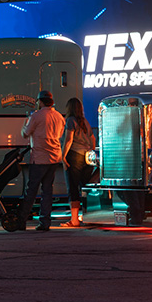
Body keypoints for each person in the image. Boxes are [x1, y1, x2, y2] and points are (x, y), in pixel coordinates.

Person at [17, 90, 65, 231]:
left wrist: (25, 124)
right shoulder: (58, 116)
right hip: (54, 158)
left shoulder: (36, 116)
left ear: (40, 101)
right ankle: (45, 222)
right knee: (47, 191)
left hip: (39, 158)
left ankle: (22, 221)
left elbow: (25, 134)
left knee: (31, 190)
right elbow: (60, 135)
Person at [57, 97, 95, 228]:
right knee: (85, 188)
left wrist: (63, 157)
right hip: (86, 157)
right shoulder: (85, 121)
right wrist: (91, 152)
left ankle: (74, 220)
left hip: (74, 156)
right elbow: (92, 139)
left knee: (73, 188)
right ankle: (88, 216)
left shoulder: (70, 121)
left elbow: (68, 140)